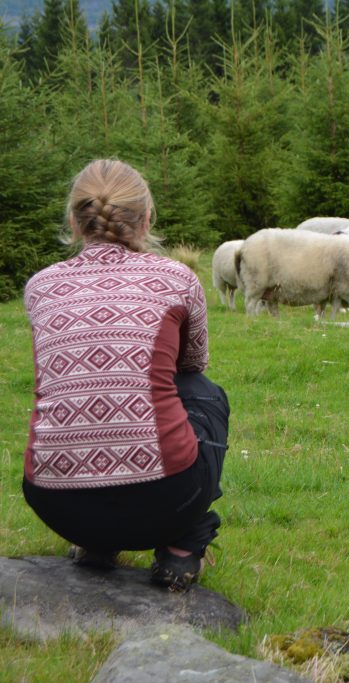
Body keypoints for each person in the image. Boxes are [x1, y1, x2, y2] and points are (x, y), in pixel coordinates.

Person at [22, 159, 229, 591]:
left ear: (76, 224)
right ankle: (182, 545)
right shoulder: (177, 278)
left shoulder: (40, 286)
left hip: (56, 505)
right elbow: (192, 366)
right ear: (147, 217)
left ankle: (95, 543)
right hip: (168, 498)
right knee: (205, 394)